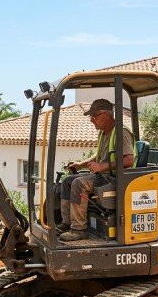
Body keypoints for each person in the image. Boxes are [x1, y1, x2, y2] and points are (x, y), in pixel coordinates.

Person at [57, 98, 134, 241]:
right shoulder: (104, 133)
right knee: (67, 181)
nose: (92, 120)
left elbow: (129, 160)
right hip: (104, 176)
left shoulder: (121, 133)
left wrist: (103, 166)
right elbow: (99, 156)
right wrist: (81, 164)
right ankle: (67, 223)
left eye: (94, 116)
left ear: (106, 115)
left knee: (79, 183)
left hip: (116, 179)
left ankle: (79, 229)